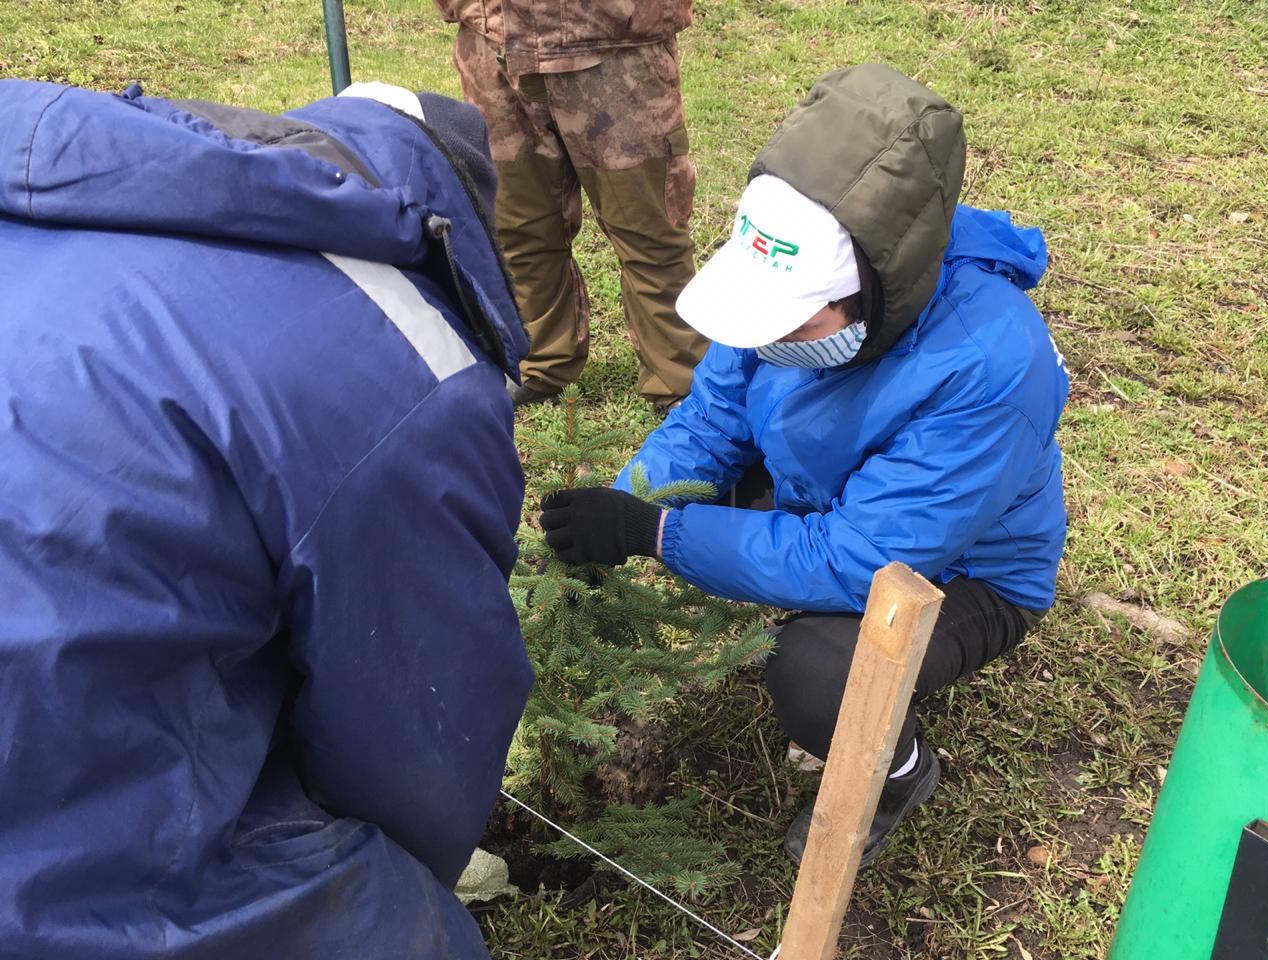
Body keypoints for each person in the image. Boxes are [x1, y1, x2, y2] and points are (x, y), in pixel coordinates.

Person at [0, 79, 532, 958]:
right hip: (42, 837)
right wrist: (381, 855)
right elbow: (420, 733)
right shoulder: (406, 364)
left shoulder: (67, 218)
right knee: (409, 931)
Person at [538, 64, 1070, 865]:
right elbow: (713, 417)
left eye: (790, 320)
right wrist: (623, 506)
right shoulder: (794, 284)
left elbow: (861, 562)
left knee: (820, 671)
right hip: (830, 499)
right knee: (752, 522)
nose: (767, 340)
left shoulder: (988, 363)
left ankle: (899, 773)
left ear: (875, 286)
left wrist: (657, 535)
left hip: (966, 573)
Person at [434, 0, 709, 409]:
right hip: (494, 39)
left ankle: (681, 383)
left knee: (649, 231)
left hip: (614, 42)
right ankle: (540, 360)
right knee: (517, 225)